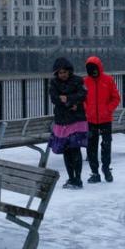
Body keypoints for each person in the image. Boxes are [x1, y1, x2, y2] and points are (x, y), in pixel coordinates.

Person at [48, 57, 88, 189]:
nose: (63, 75)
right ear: (56, 73)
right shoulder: (54, 83)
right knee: (66, 150)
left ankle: (78, 179)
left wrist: (68, 99)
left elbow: (83, 94)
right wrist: (71, 102)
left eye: (64, 72)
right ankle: (71, 177)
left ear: (69, 71)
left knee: (75, 149)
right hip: (62, 120)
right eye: (60, 73)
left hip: (75, 120)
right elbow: (54, 99)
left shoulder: (78, 80)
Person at [83, 55, 122, 183]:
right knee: (91, 147)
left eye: (94, 69)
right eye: (90, 69)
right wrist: (87, 110)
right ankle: (95, 172)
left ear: (99, 68)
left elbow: (116, 98)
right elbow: (82, 99)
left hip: (105, 119)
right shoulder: (85, 82)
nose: (93, 72)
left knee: (106, 145)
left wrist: (107, 109)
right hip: (91, 120)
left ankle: (105, 168)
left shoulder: (108, 80)